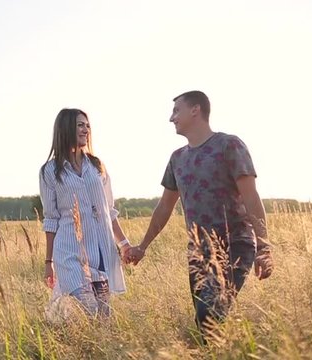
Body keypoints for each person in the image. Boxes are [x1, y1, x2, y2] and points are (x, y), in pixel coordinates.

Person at [125, 91, 274, 340]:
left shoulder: (229, 145)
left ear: (195, 110)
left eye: (176, 111)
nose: (171, 118)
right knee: (205, 322)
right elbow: (164, 207)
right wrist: (143, 246)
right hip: (199, 253)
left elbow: (251, 198)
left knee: (210, 314)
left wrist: (264, 248)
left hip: (234, 245)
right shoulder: (177, 159)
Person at [39, 108, 130, 318]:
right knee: (89, 308)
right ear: (65, 129)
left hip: (101, 251)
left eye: (87, 125)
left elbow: (109, 210)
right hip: (70, 252)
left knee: (104, 316)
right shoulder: (50, 171)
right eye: (80, 125)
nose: (86, 130)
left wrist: (124, 244)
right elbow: (51, 219)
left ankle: (93, 349)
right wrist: (48, 263)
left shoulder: (97, 166)